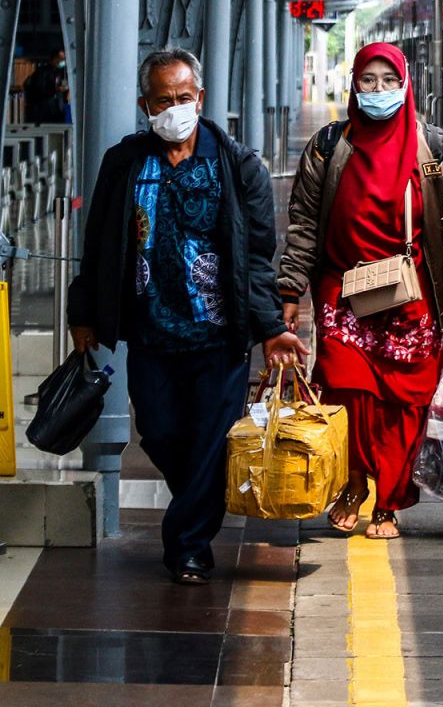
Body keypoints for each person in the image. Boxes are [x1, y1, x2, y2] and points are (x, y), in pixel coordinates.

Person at [67, 47, 307, 585]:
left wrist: (270, 328)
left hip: (219, 336)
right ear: (144, 104)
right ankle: (201, 503)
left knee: (211, 439)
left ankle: (188, 546)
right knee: (160, 434)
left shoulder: (237, 164)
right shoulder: (126, 163)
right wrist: (83, 313)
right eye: (161, 101)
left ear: (199, 98)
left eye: (182, 98)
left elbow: (255, 259)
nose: (172, 108)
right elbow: (99, 246)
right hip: (151, 330)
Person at [278, 42, 443, 540]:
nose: (377, 91)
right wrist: (289, 288)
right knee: (345, 391)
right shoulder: (329, 145)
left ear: (405, 83)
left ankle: (388, 501)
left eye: (388, 81)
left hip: (411, 296)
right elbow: (304, 222)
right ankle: (351, 483)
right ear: (353, 84)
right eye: (367, 81)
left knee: (405, 402)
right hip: (342, 293)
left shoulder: (432, 150)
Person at [24, 48, 68, 123]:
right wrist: (55, 89)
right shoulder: (42, 72)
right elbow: (39, 89)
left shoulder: (59, 72)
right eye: (61, 59)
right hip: (42, 109)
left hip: (56, 109)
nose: (63, 61)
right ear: (54, 59)